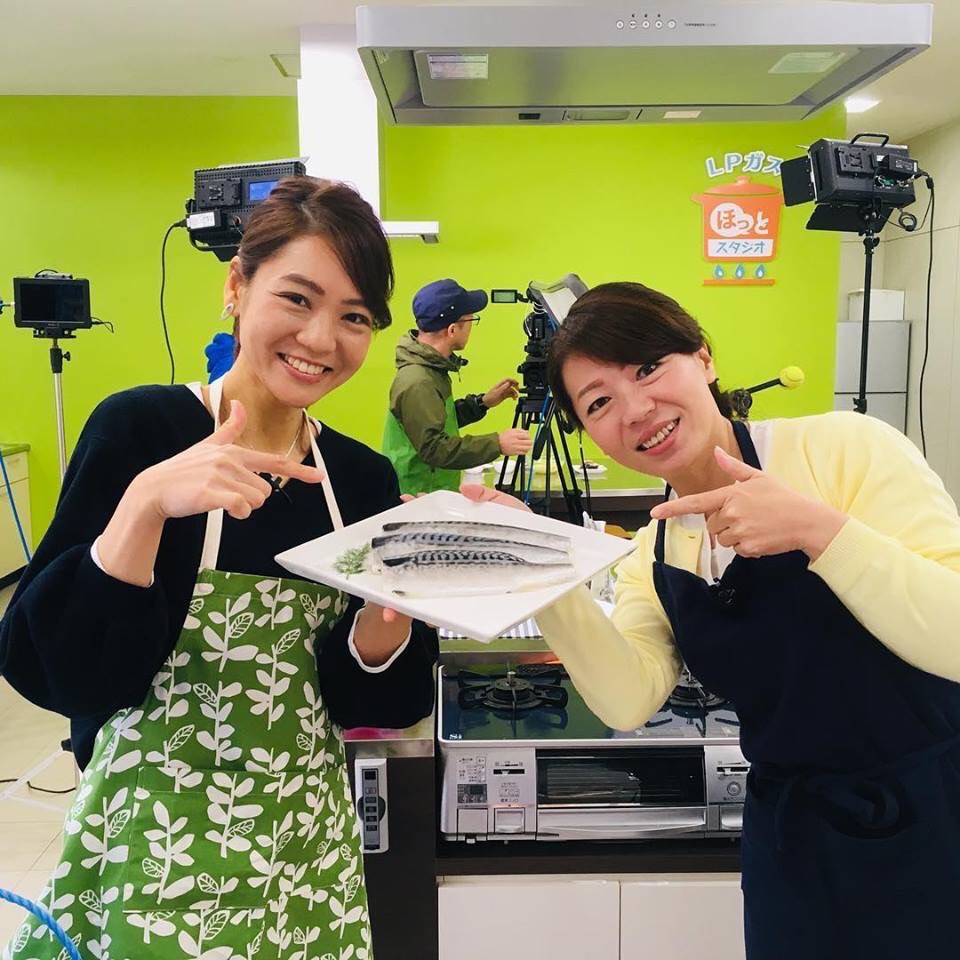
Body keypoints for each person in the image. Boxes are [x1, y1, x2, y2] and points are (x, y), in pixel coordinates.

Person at [0, 177, 437, 960]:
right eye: (297, 298)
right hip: (153, 847)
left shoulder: (359, 480)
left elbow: (375, 708)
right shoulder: (142, 429)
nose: (321, 339)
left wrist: (389, 618)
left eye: (354, 317)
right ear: (236, 286)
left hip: (304, 851)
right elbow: (56, 673)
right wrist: (143, 508)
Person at [463, 281, 960, 958]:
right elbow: (628, 699)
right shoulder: (656, 550)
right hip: (792, 840)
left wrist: (820, 532)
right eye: (599, 402)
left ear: (703, 358)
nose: (636, 410)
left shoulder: (844, 450)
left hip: (935, 816)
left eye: (648, 368)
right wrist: (542, 570)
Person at [382, 277, 532, 495]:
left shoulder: (431, 370)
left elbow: (437, 421)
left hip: (430, 489)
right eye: (471, 319)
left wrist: (483, 403)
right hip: (418, 493)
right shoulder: (419, 381)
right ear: (452, 330)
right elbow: (433, 448)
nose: (472, 326)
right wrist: (497, 444)